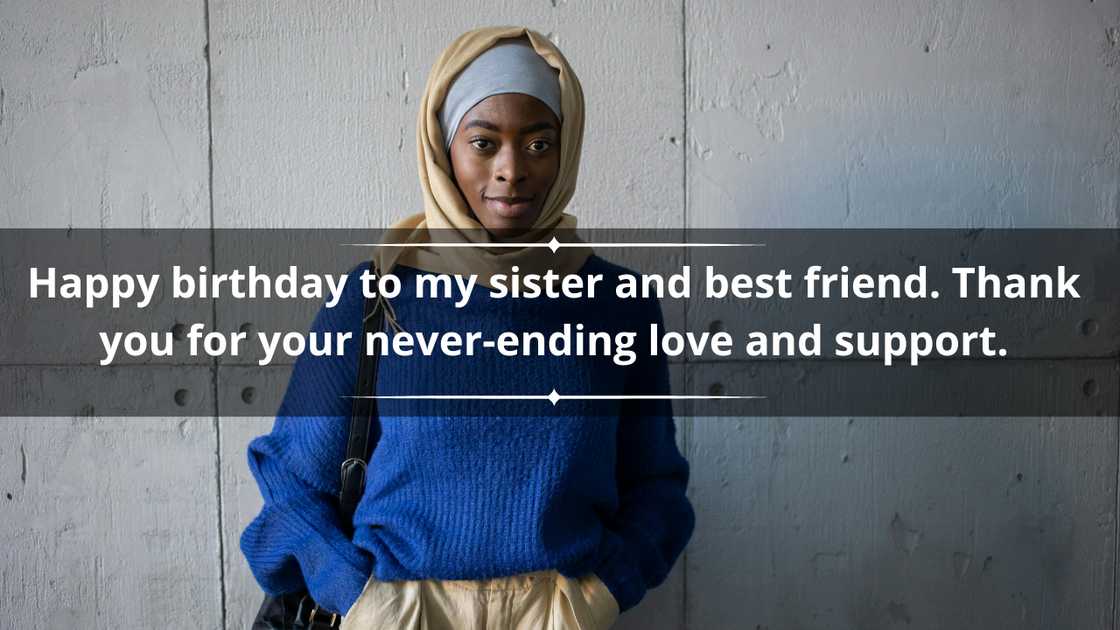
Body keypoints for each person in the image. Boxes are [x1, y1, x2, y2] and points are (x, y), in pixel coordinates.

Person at [240, 25, 695, 630]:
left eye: (539, 144)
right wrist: (359, 599)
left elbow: (657, 488)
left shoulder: (617, 303)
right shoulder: (375, 297)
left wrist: (599, 595)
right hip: (401, 611)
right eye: (484, 143)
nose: (512, 170)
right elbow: (291, 485)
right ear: (443, 148)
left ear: (567, 149)